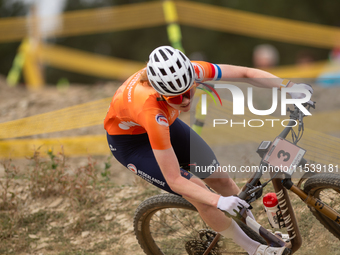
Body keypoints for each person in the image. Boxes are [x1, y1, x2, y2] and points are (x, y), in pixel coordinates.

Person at [104, 46, 313, 255]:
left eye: (188, 91)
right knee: (201, 195)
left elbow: (245, 73)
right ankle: (253, 248)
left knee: (221, 179)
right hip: (132, 144)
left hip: (167, 124)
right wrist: (218, 201)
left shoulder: (193, 71)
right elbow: (175, 179)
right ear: (160, 93)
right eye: (176, 98)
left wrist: (288, 86)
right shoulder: (150, 109)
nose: (185, 101)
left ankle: (257, 234)